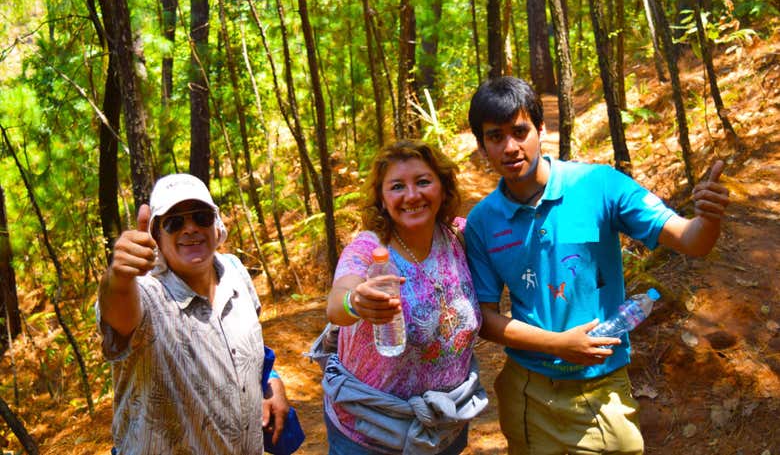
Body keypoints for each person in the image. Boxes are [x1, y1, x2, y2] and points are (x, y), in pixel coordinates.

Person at [464, 76, 730, 454]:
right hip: (527, 390)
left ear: (541, 129)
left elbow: (691, 240)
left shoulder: (598, 185)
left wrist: (710, 218)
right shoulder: (482, 221)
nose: (510, 147)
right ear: (481, 146)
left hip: (601, 388)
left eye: (520, 131)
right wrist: (558, 344)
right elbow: (485, 319)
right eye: (495, 136)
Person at [97, 173, 290, 454]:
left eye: (200, 217)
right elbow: (120, 316)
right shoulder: (145, 293)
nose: (190, 228)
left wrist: (271, 382)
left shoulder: (235, 271)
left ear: (217, 224)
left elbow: (244, 349)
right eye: (174, 222)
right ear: (157, 237)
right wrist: (118, 277)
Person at [319, 140, 487, 455]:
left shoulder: (459, 236)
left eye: (423, 182)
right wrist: (355, 302)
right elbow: (336, 304)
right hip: (370, 434)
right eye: (397, 186)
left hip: (445, 424)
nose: (412, 195)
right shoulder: (370, 249)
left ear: (442, 188)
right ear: (382, 199)